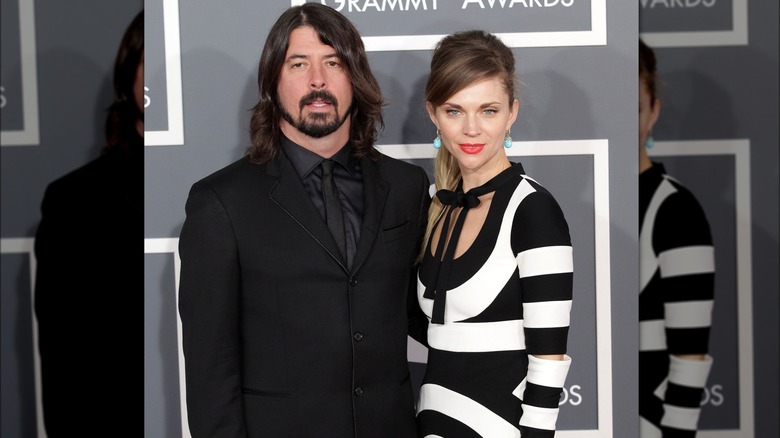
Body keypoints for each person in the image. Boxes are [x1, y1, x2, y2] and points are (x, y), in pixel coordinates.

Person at [177, 3, 430, 437]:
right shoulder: (220, 203)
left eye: (333, 62)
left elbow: (425, 315)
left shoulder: (406, 186)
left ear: (356, 78)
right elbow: (210, 368)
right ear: (273, 81)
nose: (318, 80)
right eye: (299, 64)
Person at [415, 30, 573, 437]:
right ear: (433, 114)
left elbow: (549, 359)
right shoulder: (434, 207)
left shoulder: (533, 211)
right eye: (454, 111)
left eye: (487, 110)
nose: (471, 129)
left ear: (511, 113)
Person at [33, 10, 144, 436]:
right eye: (148, 62)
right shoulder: (73, 203)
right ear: (127, 71)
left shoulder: (234, 192)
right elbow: (63, 361)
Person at [638, 38, 715, 438]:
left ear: (653, 113)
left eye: (633, 108)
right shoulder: (575, 201)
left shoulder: (676, 210)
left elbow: (690, 351)